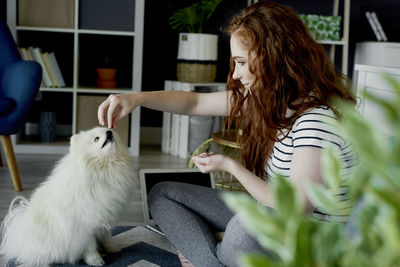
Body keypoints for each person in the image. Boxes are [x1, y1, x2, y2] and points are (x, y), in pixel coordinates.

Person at [97, 1, 356, 266]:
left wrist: (228, 165)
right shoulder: (269, 101)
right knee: (161, 193)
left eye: (242, 62)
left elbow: (296, 208)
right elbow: (195, 103)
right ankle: (214, 259)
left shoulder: (315, 120)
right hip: (269, 218)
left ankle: (207, 257)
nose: (237, 73)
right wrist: (136, 98)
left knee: (243, 227)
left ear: (273, 56)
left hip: (308, 241)